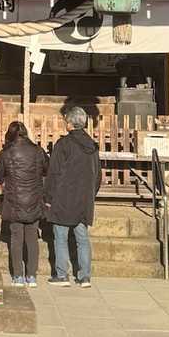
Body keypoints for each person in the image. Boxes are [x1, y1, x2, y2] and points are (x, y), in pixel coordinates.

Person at [44, 106, 101, 287]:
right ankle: (84, 276)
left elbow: (53, 173)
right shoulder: (92, 146)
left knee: (60, 237)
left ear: (69, 123)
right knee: (82, 238)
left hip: (63, 198)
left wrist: (48, 197)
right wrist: (90, 194)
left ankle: (62, 275)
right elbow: (98, 176)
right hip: (84, 199)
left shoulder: (63, 145)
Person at [0, 120, 48, 287]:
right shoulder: (38, 151)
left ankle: (17, 276)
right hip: (34, 199)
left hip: (14, 200)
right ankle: (31, 276)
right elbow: (47, 169)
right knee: (32, 238)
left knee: (16, 239)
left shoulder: (6, 153)